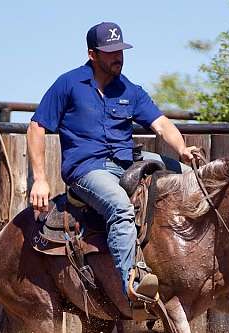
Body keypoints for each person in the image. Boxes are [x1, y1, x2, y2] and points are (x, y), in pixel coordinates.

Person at [27, 21, 199, 304]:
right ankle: (133, 281)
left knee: (192, 178)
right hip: (87, 169)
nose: (117, 56)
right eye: (110, 51)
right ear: (92, 54)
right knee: (120, 208)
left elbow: (161, 124)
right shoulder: (68, 84)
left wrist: (181, 149)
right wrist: (41, 179)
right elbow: (36, 127)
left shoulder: (130, 90)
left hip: (127, 161)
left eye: (120, 49)